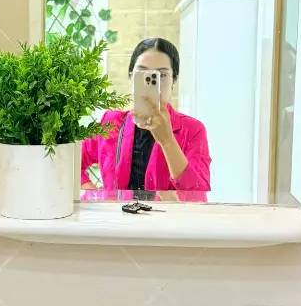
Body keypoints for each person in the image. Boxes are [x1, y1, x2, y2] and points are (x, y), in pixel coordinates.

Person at [81, 38, 211, 194]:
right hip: (119, 210)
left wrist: (168, 141)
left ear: (174, 81)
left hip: (166, 211)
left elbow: (198, 193)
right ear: (131, 77)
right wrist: (93, 193)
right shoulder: (111, 122)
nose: (152, 82)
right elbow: (71, 162)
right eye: (142, 73)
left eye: (162, 75)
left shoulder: (192, 130)